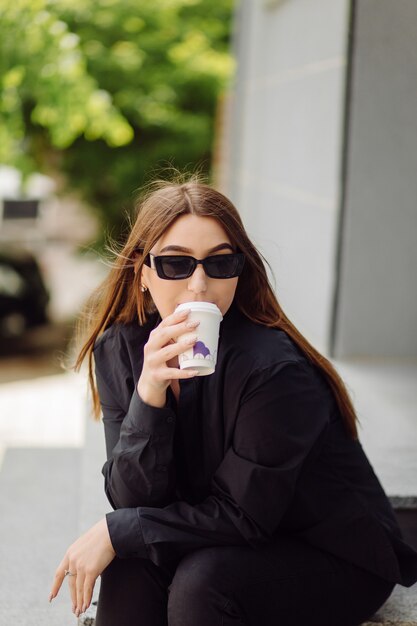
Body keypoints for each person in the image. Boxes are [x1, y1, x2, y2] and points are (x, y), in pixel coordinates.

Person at [50, 175, 417, 626]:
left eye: (220, 264)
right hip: (223, 539)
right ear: (143, 275)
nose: (200, 285)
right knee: (129, 558)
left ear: (239, 273)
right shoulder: (121, 350)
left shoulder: (274, 371)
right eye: (176, 264)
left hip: (330, 554)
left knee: (201, 579)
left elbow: (246, 515)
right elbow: (133, 499)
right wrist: (150, 393)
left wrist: (118, 530)